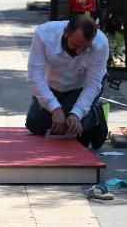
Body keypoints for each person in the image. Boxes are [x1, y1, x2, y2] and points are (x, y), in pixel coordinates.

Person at [25, 15, 110, 150]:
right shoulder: (43, 34)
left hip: (80, 88)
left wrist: (76, 114)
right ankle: (83, 115)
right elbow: (35, 77)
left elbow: (92, 85)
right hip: (51, 85)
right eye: (75, 45)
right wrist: (55, 108)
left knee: (70, 125)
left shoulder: (100, 44)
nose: (78, 52)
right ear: (66, 32)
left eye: (84, 48)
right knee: (35, 125)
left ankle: (95, 116)